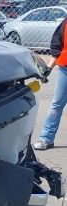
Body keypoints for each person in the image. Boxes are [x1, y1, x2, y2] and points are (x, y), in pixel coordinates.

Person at [33, 16, 67, 150]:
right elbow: (57, 45)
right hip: (66, 68)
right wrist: (49, 68)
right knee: (56, 104)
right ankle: (46, 138)